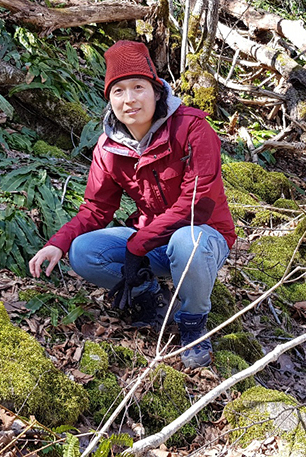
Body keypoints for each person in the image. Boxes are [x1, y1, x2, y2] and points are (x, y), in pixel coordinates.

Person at [29, 40, 236, 369]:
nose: (129, 99)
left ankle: (193, 323)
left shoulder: (193, 129)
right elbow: (96, 209)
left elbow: (196, 205)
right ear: (110, 100)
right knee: (83, 251)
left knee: (188, 241)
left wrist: (137, 245)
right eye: (118, 91)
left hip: (204, 236)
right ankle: (148, 296)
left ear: (156, 91)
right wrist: (58, 243)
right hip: (153, 241)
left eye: (138, 87)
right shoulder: (108, 147)